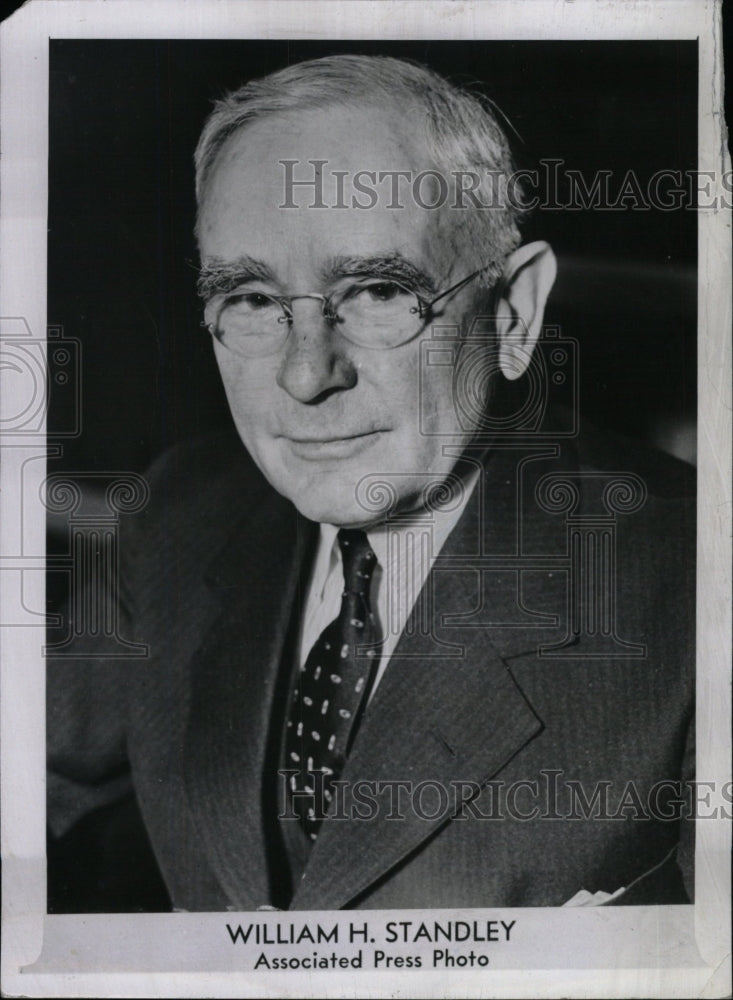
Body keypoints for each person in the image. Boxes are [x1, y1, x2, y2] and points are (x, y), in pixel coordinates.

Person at [47, 54, 695, 912]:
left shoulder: (698, 588)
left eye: (378, 290)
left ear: (512, 313)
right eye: (249, 299)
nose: (305, 376)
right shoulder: (183, 513)